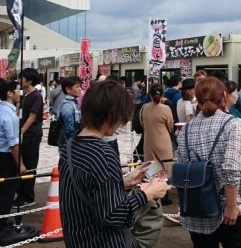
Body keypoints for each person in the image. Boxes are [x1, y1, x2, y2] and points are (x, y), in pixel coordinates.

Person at [59, 80, 168, 248]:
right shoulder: (103, 152)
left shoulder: (71, 146)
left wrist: (122, 182)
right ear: (112, 114)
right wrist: (148, 194)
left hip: (77, 239)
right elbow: (113, 215)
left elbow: (87, 188)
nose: (122, 123)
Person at [176, 77, 241, 247]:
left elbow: (182, 165)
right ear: (224, 95)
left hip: (197, 209)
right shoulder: (234, 124)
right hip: (228, 210)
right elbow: (231, 168)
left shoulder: (186, 129)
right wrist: (231, 205)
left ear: (199, 101)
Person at [0, 80, 26, 236]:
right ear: (9, 93)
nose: (20, 93)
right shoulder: (10, 115)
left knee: (2, 191)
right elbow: (14, 144)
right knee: (6, 192)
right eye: (18, 90)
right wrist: (20, 164)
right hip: (6, 158)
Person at [14, 68, 43, 208]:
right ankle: (20, 194)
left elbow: (32, 117)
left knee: (30, 166)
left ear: (29, 80)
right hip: (24, 134)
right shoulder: (23, 96)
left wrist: (21, 132)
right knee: (21, 165)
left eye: (22, 78)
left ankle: (28, 196)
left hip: (32, 134)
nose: (20, 81)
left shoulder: (36, 96)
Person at [140, 84, 174, 205]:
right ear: (163, 95)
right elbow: (170, 126)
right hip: (163, 141)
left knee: (151, 168)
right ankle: (164, 195)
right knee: (164, 168)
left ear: (149, 95)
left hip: (149, 141)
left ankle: (152, 194)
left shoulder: (144, 108)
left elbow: (142, 124)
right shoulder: (166, 109)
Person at [57, 76, 83, 146]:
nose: (80, 89)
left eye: (80, 87)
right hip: (68, 143)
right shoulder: (67, 105)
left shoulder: (73, 102)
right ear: (68, 89)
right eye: (77, 87)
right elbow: (70, 128)